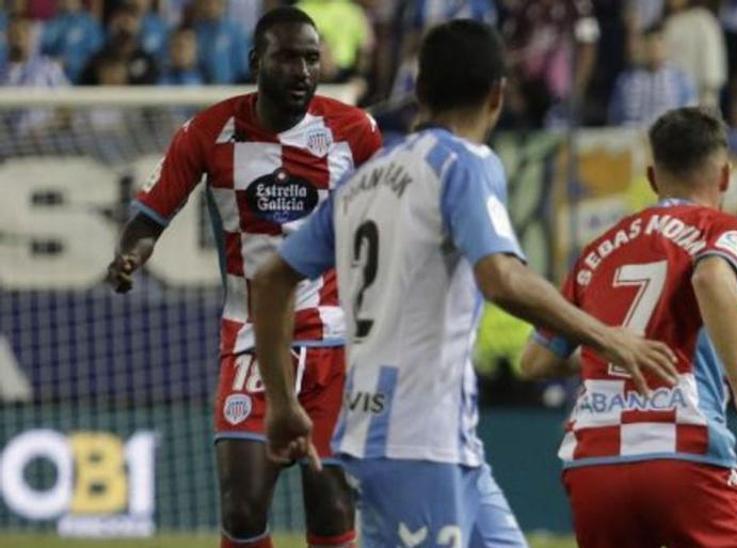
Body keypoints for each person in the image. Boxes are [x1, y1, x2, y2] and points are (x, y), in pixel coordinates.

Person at [249, 20, 677, 548]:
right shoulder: (465, 164)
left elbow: (271, 279)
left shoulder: (368, 174)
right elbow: (501, 277)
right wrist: (609, 337)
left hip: (429, 437)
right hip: (415, 438)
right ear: (498, 95)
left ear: (420, 90)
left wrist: (280, 400)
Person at [105, 7, 382, 548]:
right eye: (287, 57)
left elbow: (387, 221)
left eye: (311, 58)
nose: (302, 70)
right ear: (256, 61)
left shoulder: (354, 132)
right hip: (251, 339)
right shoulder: (209, 133)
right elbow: (148, 217)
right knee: (242, 504)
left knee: (330, 506)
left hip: (334, 341)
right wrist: (129, 256)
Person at [521, 106, 737, 548]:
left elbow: (535, 361)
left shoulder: (597, 251)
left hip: (593, 461)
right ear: (724, 176)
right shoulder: (725, 230)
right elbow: (711, 276)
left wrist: (606, 356)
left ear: (651, 176)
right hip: (682, 450)